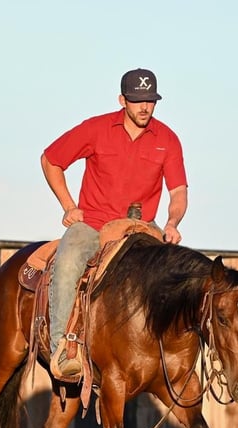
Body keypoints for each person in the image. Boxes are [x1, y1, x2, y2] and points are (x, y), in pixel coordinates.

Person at [41, 68, 189, 379]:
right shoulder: (95, 129)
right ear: (122, 100)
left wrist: (172, 222)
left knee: (178, 272)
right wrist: (69, 207)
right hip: (94, 223)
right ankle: (63, 347)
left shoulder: (168, 139)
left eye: (150, 100)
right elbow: (51, 159)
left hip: (142, 227)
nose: (144, 107)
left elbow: (178, 191)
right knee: (68, 262)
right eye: (137, 101)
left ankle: (170, 350)